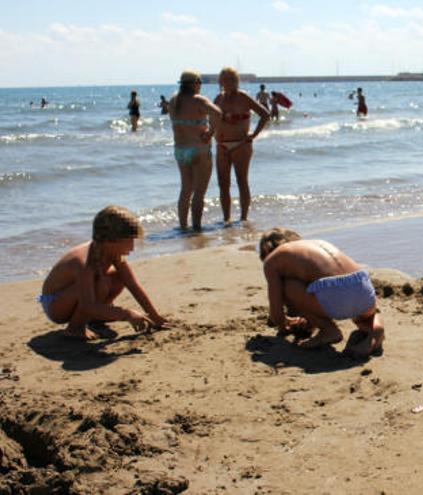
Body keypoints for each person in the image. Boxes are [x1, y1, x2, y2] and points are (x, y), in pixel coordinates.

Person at [38, 206, 166, 340]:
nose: (132, 247)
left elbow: (132, 285)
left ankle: (96, 315)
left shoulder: (111, 252)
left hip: (77, 297)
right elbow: (87, 305)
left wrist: (154, 316)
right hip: (54, 303)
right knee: (100, 283)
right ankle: (75, 328)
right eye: (129, 241)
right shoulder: (84, 262)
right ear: (110, 240)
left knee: (117, 276)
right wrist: (126, 314)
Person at [259, 228, 385, 359]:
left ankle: (328, 330)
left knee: (288, 286)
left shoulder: (272, 260)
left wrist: (284, 324)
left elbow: (276, 314)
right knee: (366, 318)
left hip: (336, 294)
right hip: (363, 287)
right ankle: (376, 331)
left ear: (266, 249)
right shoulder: (314, 244)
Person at [214, 67, 270, 224]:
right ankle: (226, 219)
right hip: (221, 146)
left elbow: (265, 114)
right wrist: (209, 133)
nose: (228, 82)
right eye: (225, 79)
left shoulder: (243, 97)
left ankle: (244, 218)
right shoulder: (219, 98)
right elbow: (211, 119)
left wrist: (254, 135)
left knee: (241, 181)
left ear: (237, 81)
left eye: (232, 79)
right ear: (220, 82)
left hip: (241, 145)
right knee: (223, 184)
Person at [169, 70, 223, 231]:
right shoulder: (198, 100)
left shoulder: (173, 100)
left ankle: (183, 226)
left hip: (180, 151)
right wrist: (211, 132)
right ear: (195, 84)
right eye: (199, 83)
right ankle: (197, 227)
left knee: (185, 190)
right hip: (199, 150)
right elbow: (218, 113)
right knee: (199, 192)